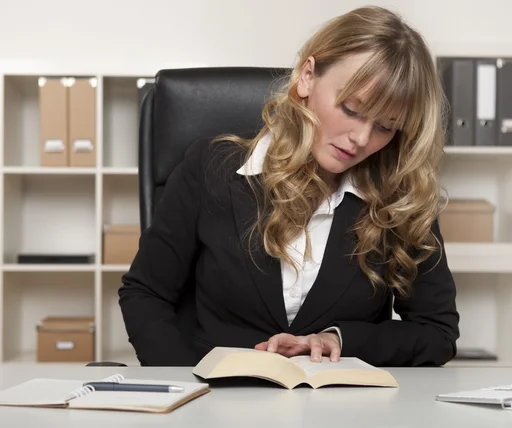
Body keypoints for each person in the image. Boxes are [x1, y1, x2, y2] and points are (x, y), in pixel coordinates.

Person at [118, 5, 460, 367]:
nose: (361, 138)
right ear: (308, 77)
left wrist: (340, 339)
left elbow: (436, 332)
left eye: (385, 127)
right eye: (352, 108)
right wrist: (189, 384)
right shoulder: (211, 166)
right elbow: (145, 293)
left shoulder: (400, 196)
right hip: (218, 405)